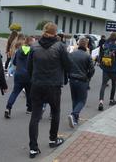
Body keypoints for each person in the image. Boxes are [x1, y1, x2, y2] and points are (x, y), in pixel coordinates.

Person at [27, 22, 71, 159]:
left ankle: (33, 148)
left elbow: (29, 68)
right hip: (53, 85)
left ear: (44, 31)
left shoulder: (34, 46)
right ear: (55, 32)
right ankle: (53, 140)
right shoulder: (60, 46)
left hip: (37, 84)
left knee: (35, 115)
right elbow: (68, 65)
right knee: (56, 112)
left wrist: (34, 79)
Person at [5, 36, 35, 118]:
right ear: (31, 42)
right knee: (29, 92)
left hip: (18, 74)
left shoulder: (19, 51)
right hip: (29, 75)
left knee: (15, 92)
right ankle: (29, 108)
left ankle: (8, 107)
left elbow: (14, 62)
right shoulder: (33, 51)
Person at [68, 38, 95, 128]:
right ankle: (74, 114)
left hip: (72, 79)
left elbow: (67, 66)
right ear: (86, 45)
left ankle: (75, 119)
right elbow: (92, 69)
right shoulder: (87, 56)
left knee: (74, 99)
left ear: (79, 44)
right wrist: (88, 77)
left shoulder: (72, 54)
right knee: (82, 100)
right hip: (82, 80)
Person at [98, 33, 116, 111]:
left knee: (103, 85)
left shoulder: (105, 46)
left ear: (110, 38)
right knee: (114, 84)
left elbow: (101, 55)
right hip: (114, 70)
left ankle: (101, 101)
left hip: (105, 68)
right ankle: (111, 100)